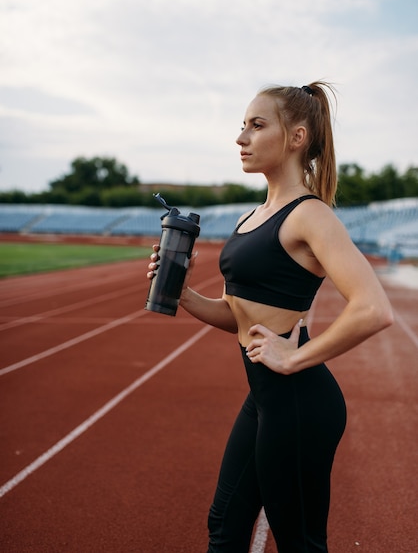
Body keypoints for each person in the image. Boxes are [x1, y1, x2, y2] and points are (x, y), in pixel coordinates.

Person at [147, 82, 393, 552]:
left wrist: (293, 355)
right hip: (265, 399)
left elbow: (373, 308)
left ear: (297, 137)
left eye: (257, 126)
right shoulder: (252, 217)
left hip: (300, 402)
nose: (242, 137)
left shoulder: (310, 215)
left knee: (298, 542)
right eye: (242, 125)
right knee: (225, 527)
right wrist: (183, 294)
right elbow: (235, 314)